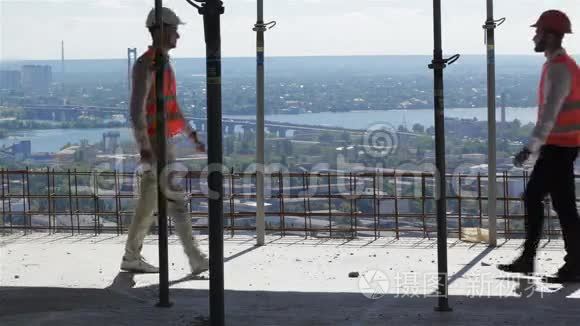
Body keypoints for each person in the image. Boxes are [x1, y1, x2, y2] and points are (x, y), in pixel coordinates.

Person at [120, 7, 208, 275]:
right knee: (177, 201)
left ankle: (131, 257)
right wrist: (145, 147)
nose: (178, 35)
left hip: (162, 142)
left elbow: (172, 107)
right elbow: (136, 111)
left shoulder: (164, 65)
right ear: (161, 30)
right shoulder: (147, 65)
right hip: (156, 144)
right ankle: (195, 258)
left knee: (148, 205)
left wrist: (191, 135)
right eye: (174, 29)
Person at [498, 10, 580, 282]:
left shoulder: (559, 68)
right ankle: (571, 264)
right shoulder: (560, 65)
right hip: (563, 146)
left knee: (533, 197)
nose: (534, 36)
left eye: (538, 32)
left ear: (550, 35)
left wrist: (530, 148)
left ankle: (529, 259)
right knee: (564, 206)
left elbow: (549, 115)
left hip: (558, 147)